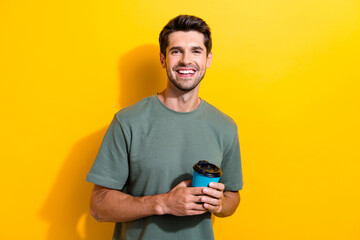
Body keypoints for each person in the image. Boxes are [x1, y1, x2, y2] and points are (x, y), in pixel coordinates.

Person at [86, 14, 243, 240]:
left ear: (208, 59)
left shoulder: (225, 127)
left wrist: (219, 204)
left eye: (196, 51)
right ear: (163, 59)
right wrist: (163, 204)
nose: (186, 60)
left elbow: (233, 198)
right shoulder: (127, 121)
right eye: (176, 51)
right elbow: (97, 206)